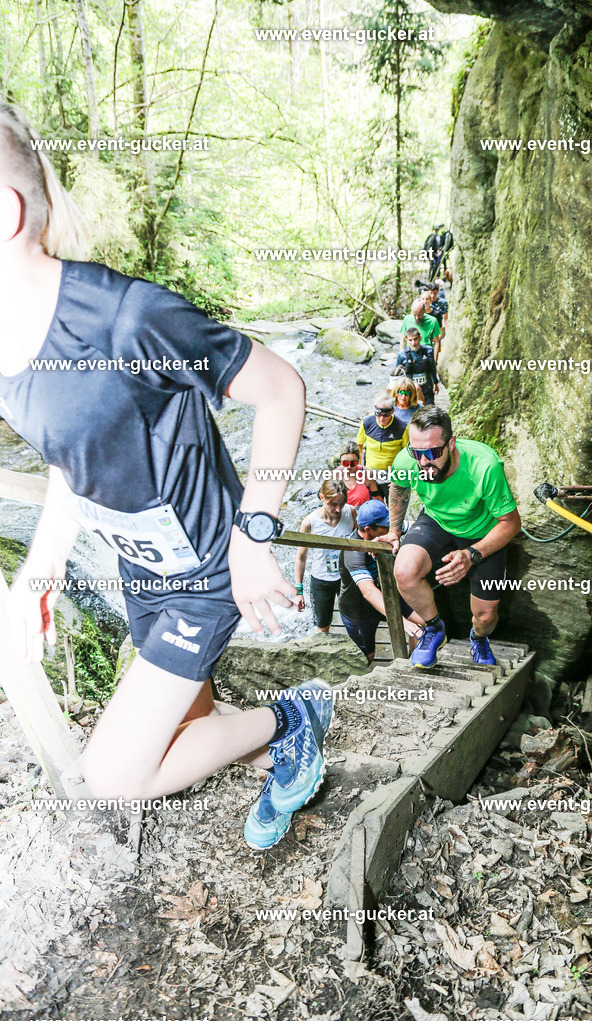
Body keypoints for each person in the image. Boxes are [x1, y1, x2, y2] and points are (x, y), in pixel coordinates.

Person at [0, 103, 334, 853]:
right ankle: (270, 752)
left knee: (116, 772)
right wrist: (42, 568)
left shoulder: (129, 318)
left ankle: (293, 717)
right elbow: (69, 456)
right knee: (188, 724)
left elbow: (280, 390)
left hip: (209, 570)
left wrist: (254, 533)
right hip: (140, 568)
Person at [381, 406, 521, 669]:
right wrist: (393, 531)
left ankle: (478, 638)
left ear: (451, 444)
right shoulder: (407, 460)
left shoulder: (484, 466)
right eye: (416, 452)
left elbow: (511, 524)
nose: (423, 462)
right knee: (404, 571)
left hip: (483, 532)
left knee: (486, 616)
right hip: (437, 521)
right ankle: (434, 629)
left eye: (432, 453)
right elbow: (399, 487)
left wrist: (470, 555)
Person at [339, 500, 423, 663]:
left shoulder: (386, 530)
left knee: (421, 625)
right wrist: (401, 621)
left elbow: (418, 526)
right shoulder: (353, 551)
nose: (391, 529)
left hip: (388, 594)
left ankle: (414, 663)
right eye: (386, 526)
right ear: (369, 529)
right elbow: (368, 591)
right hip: (359, 610)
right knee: (367, 656)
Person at [294, 481, 356, 632]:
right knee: (322, 627)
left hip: (346, 578)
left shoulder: (351, 512)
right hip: (322, 579)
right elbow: (301, 557)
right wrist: (298, 591)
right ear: (322, 498)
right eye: (333, 504)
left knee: (355, 622)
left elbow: (359, 542)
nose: (338, 509)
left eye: (342, 504)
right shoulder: (310, 523)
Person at [356, 394, 409, 501]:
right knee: (374, 509)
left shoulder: (402, 427)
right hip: (371, 475)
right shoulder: (367, 423)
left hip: (392, 476)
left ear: (392, 411)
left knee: (394, 510)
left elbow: (407, 453)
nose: (381, 419)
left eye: (385, 415)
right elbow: (359, 445)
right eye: (378, 414)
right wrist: (359, 468)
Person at [396, 328, 439, 406]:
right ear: (406, 340)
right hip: (410, 392)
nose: (413, 343)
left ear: (420, 338)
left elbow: (432, 368)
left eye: (415, 339)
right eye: (410, 340)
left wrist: (435, 383)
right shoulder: (402, 355)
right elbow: (397, 376)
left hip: (427, 390)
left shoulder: (428, 350)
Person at [400, 298, 442, 363]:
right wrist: (402, 357)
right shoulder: (407, 319)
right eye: (415, 315)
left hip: (426, 354)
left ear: (424, 311)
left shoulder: (433, 321)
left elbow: (436, 342)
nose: (417, 317)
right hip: (410, 353)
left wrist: (434, 361)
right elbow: (402, 339)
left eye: (419, 315)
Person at [335, 441, 371, 507]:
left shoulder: (367, 474)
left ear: (358, 460)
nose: (349, 467)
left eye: (353, 463)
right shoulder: (333, 476)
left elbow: (377, 499)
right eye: (345, 463)